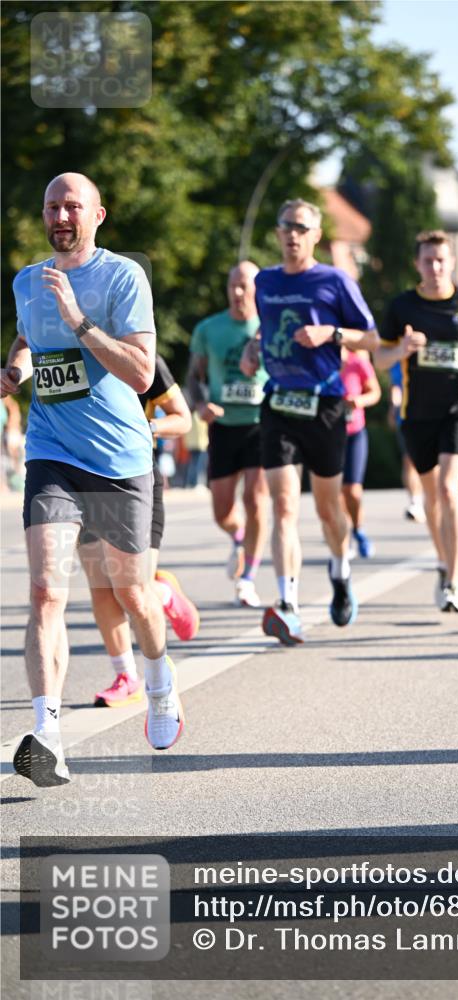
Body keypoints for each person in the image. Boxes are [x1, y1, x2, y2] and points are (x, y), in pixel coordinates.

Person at [2, 172, 184, 787]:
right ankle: (47, 733)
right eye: (52, 204)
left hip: (119, 457)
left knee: (131, 592)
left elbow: (139, 374)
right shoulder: (28, 280)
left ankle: (159, 684)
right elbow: (28, 337)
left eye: (71, 205)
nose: (60, 215)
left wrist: (80, 320)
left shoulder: (122, 277)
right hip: (51, 450)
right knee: (47, 592)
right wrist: (15, 369)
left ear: (97, 215)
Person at [242, 198, 378, 645]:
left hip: (325, 406)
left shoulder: (334, 281)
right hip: (279, 402)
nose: (292, 234)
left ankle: (340, 570)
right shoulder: (265, 280)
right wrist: (253, 347)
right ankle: (288, 603)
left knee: (327, 509)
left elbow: (373, 338)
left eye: (301, 227)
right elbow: (265, 327)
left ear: (316, 235)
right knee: (283, 505)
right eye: (286, 226)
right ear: (278, 232)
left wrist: (331, 334)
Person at [375, 230, 458, 614]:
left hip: (457, 409)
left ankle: (454, 582)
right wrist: (401, 350)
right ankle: (444, 563)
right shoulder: (402, 307)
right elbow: (379, 359)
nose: (435, 267)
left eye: (441, 260)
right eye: (428, 261)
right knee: (431, 498)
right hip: (417, 414)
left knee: (448, 490)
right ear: (417, 264)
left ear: (452, 262)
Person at [81, 355, 199, 709]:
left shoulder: (142, 357)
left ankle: (162, 594)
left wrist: (144, 426)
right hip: (81, 479)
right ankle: (127, 676)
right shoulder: (63, 350)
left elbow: (183, 420)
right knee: (102, 588)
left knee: (131, 592)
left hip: (136, 482)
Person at [188, 261, 269, 608]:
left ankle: (247, 578)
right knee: (222, 512)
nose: (238, 293)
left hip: (261, 424)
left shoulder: (270, 326)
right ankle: (239, 537)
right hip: (222, 427)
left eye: (245, 286)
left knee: (255, 500)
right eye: (232, 286)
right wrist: (202, 404)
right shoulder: (209, 329)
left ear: (257, 290)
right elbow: (193, 377)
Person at [340, 347, 381, 557]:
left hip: (355, 433)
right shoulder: (320, 364)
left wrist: (359, 401)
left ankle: (358, 529)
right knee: (334, 492)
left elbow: (375, 393)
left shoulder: (358, 362)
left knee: (353, 490)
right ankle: (342, 539)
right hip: (328, 436)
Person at [389, 362, 427, 523]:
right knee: (409, 460)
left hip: (433, 416)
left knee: (431, 462)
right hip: (406, 418)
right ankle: (415, 502)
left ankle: (431, 498)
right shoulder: (398, 360)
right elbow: (396, 386)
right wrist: (394, 407)